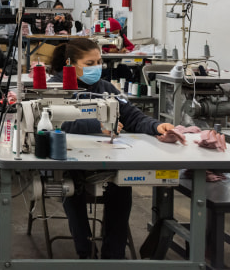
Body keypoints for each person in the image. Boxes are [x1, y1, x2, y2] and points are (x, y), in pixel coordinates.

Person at [49, 38, 173, 259]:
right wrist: (98, 125)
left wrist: (156, 126)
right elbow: (54, 120)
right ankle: (86, 253)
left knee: (122, 185)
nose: (97, 67)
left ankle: (113, 256)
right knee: (72, 187)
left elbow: (133, 117)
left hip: (104, 159)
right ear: (70, 63)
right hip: (69, 160)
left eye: (99, 61)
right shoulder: (55, 88)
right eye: (90, 63)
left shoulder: (105, 88)